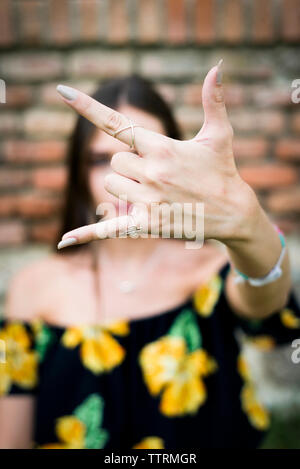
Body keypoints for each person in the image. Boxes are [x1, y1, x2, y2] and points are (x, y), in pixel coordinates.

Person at [0, 63, 299, 449]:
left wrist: (249, 225)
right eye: (99, 159)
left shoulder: (212, 272)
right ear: (78, 171)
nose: (123, 176)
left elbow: (266, 300)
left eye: (139, 154)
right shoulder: (33, 288)